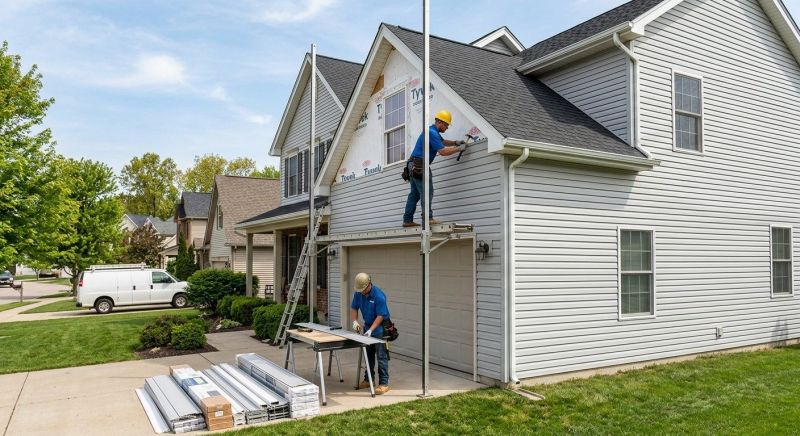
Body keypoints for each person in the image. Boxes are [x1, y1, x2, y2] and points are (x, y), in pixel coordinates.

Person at [402, 109, 466, 227]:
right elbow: (442, 151)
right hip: (420, 165)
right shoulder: (432, 133)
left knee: (414, 194)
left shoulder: (431, 132)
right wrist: (459, 149)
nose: (447, 128)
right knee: (427, 191)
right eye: (446, 125)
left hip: (413, 164)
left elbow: (443, 142)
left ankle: (407, 220)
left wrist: (455, 142)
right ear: (440, 122)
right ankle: (428, 218)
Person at [350, 272, 391, 394]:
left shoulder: (379, 296)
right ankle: (368, 380)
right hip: (367, 327)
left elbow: (380, 316)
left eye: (363, 289)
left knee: (381, 356)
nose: (361, 292)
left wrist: (371, 330)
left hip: (380, 329)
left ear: (369, 284)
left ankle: (384, 383)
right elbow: (354, 308)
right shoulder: (358, 293)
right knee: (368, 355)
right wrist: (355, 321)